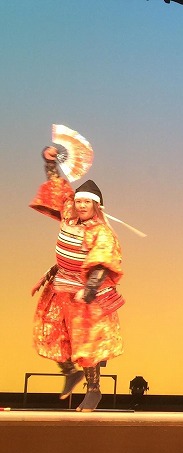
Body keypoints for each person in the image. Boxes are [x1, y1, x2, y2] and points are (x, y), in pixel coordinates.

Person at [29, 146, 125, 412]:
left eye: (87, 202)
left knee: (87, 342)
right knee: (53, 330)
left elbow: (103, 262)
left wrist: (90, 290)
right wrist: (49, 162)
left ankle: (94, 390)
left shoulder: (101, 232)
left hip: (85, 294)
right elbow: (57, 187)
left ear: (96, 206)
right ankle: (70, 373)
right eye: (79, 201)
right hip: (61, 286)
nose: (81, 206)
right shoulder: (69, 215)